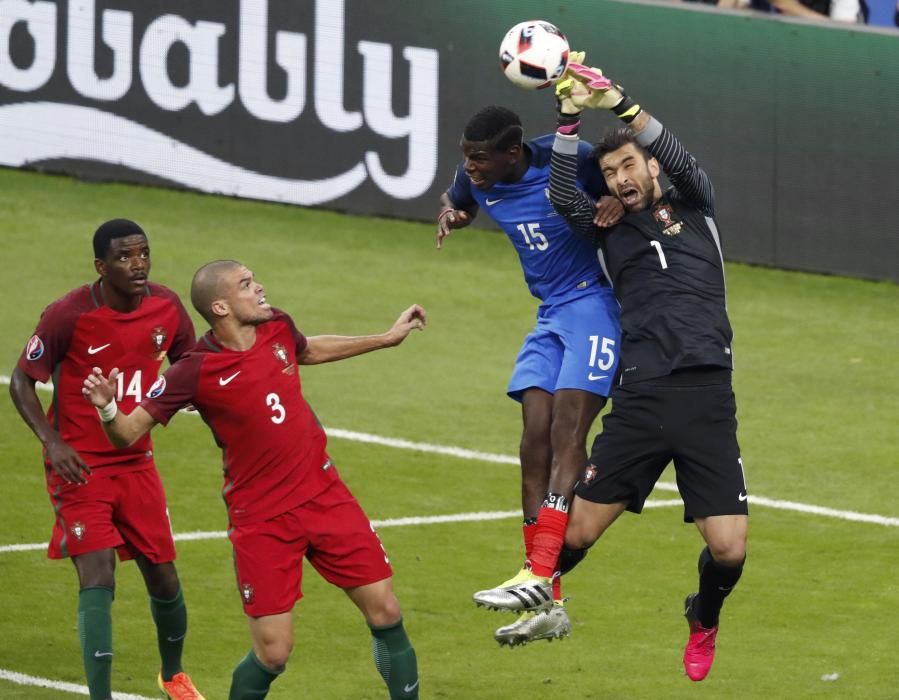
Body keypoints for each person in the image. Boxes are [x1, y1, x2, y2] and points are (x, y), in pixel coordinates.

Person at [482, 57, 749, 682]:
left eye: (630, 165)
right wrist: (569, 119)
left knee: (729, 550)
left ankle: (702, 614)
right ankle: (542, 588)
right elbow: (560, 193)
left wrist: (618, 102)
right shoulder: (603, 227)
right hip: (641, 400)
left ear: (651, 169)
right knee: (574, 535)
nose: (622, 177)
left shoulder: (697, 205)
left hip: (708, 398)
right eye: (610, 172)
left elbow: (671, 148)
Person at [81, 260, 424, 700]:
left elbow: (306, 349)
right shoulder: (194, 370)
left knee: (386, 610)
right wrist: (108, 408)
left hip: (324, 495)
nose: (259, 287)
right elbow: (128, 433)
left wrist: (385, 338)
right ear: (220, 306)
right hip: (262, 520)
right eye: (246, 285)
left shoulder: (277, 324)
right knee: (274, 652)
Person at [437, 106, 622, 646]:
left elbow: (625, 183)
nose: (469, 167)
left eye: (478, 158)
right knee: (532, 440)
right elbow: (458, 198)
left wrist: (613, 197)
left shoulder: (571, 161)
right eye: (466, 158)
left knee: (568, 431)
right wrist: (454, 212)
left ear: (512, 153)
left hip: (595, 306)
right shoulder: (476, 178)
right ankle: (548, 601)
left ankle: (542, 569)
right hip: (549, 315)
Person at [9, 219, 204, 700]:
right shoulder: (68, 315)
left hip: (137, 462)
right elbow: (20, 382)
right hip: (79, 466)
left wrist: (185, 395)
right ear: (101, 266)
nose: (137, 265)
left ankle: (173, 676)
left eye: (143, 253)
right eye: (124, 257)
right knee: (99, 574)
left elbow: (191, 362)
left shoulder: (167, 306)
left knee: (163, 573)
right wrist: (53, 442)